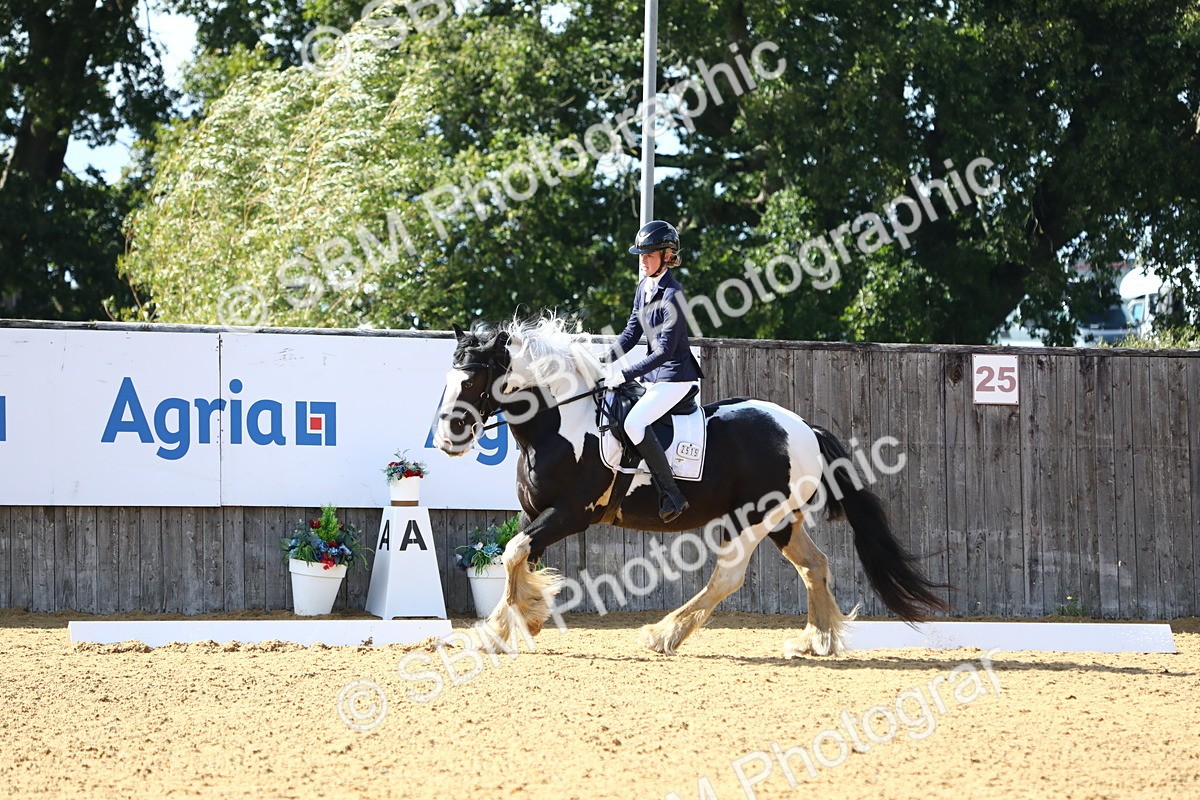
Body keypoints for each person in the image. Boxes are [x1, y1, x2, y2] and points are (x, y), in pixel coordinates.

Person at [602, 220, 704, 523]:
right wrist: (603, 361)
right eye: (640, 256)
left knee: (634, 423)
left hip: (676, 376)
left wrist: (625, 374)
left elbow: (664, 352)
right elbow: (630, 334)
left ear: (667, 255)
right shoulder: (644, 288)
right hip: (653, 377)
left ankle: (672, 494)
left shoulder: (674, 295)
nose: (643, 261)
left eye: (648, 256)